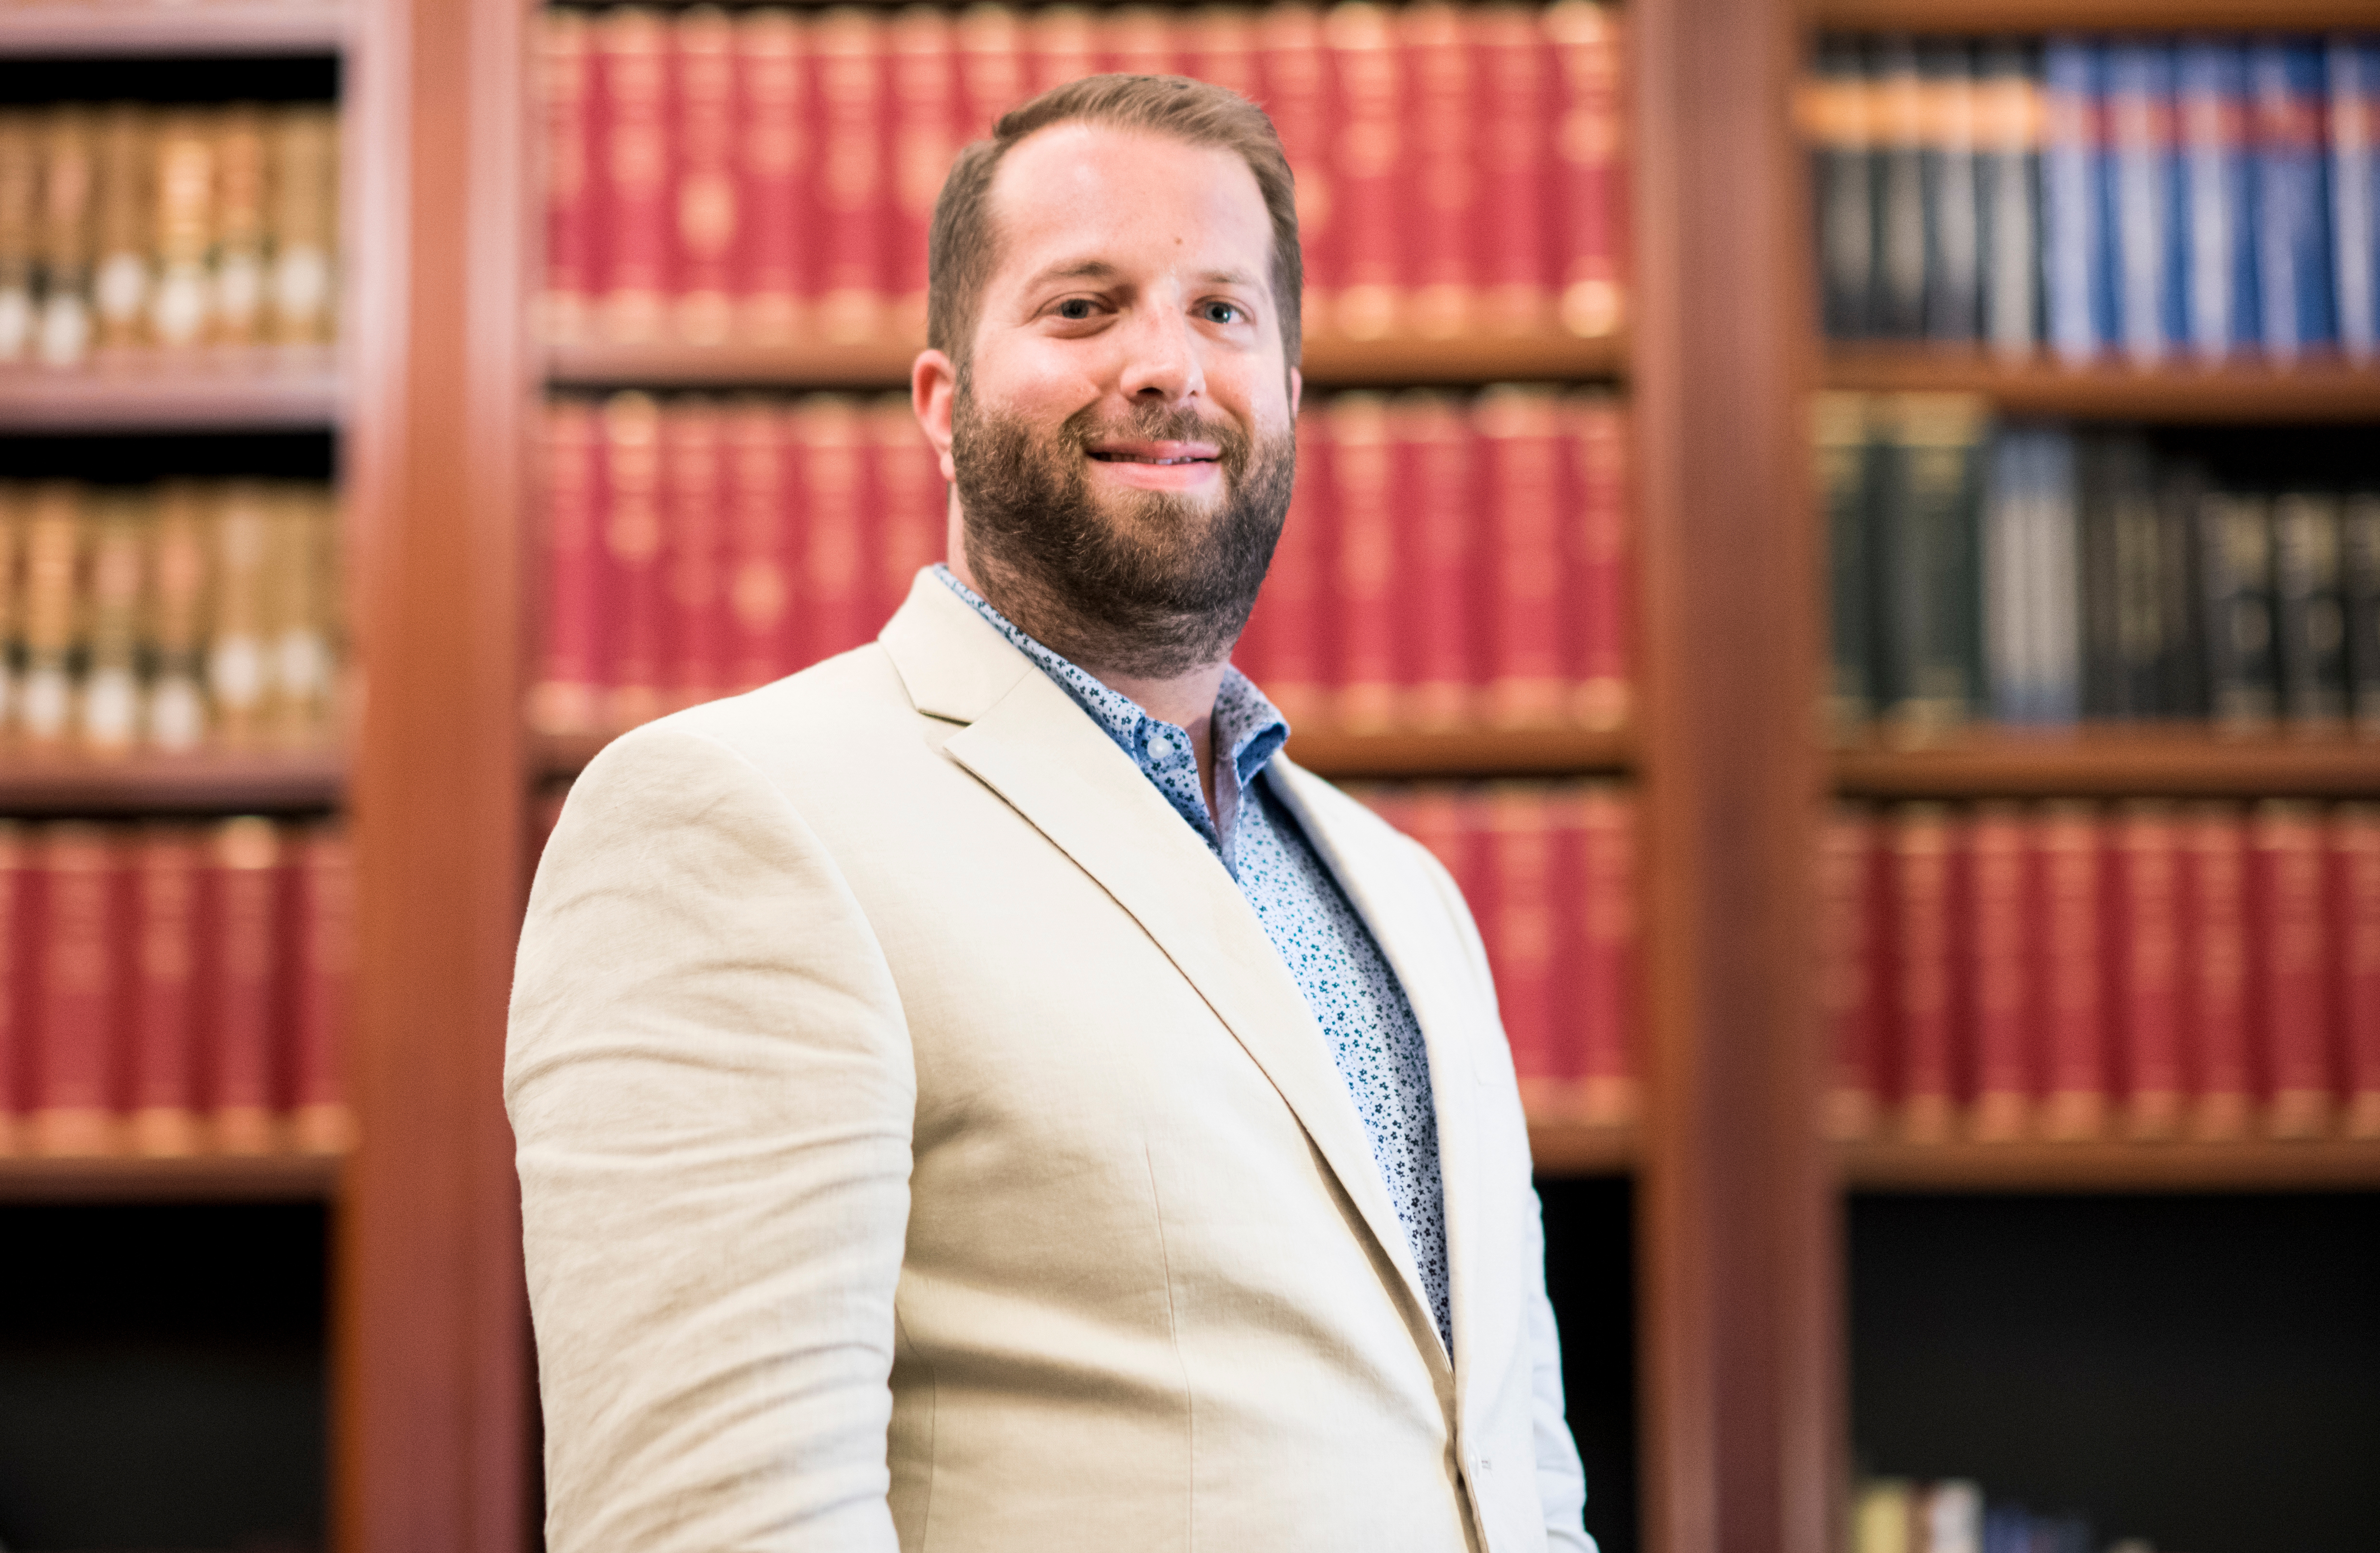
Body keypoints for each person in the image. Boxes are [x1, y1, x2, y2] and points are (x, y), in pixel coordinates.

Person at [508, 73, 1592, 1553]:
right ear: (943, 406)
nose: (1168, 363)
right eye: (1084, 307)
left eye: (1224, 312)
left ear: (1288, 397)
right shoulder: (736, 819)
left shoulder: (1406, 894)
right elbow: (715, 1530)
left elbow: (1521, 1486)